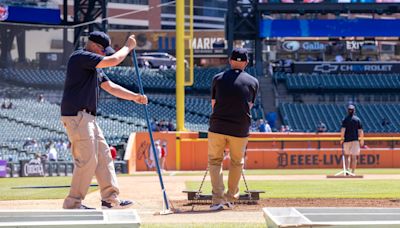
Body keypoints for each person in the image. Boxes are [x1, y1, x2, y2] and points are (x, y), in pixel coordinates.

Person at [60, 31, 148, 210]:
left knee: (104, 156)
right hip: (78, 116)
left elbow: (111, 87)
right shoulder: (80, 57)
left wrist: (135, 97)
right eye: (102, 49)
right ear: (92, 45)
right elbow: (114, 60)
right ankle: (73, 203)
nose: (103, 53)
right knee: (87, 160)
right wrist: (128, 47)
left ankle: (110, 199)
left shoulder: (94, 67)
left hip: (89, 118)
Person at [208, 48, 259, 211]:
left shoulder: (218, 78)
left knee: (215, 162)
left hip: (218, 126)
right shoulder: (253, 82)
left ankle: (217, 200)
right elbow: (249, 105)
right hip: (240, 128)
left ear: (230, 61)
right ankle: (230, 199)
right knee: (237, 163)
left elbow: (213, 104)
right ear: (246, 62)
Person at [340, 104, 364, 174]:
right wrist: (362, 140)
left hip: (347, 140)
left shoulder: (345, 119)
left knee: (347, 156)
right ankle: (353, 172)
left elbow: (343, 130)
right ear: (354, 111)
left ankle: (347, 170)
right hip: (355, 140)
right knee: (354, 157)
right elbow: (360, 131)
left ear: (348, 111)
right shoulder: (357, 119)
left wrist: (341, 138)